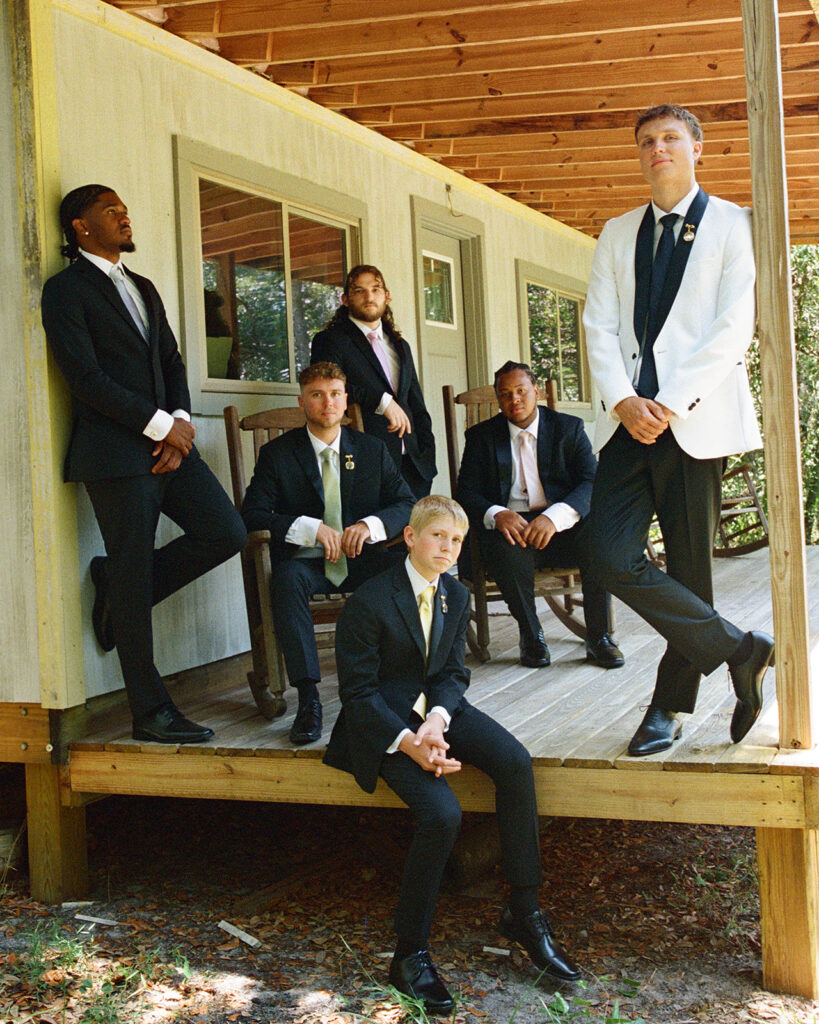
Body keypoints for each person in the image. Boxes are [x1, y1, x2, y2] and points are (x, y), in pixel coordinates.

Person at [324, 495, 581, 1015]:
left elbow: (452, 673)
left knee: (514, 762)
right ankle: (410, 953)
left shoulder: (455, 596)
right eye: (438, 536)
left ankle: (524, 911)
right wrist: (411, 742)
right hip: (383, 722)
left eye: (457, 540)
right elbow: (357, 694)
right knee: (443, 812)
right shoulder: (369, 601)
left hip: (436, 711)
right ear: (410, 538)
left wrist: (439, 720)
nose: (447, 547)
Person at [582, 104, 774, 757]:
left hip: (693, 420)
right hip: (629, 421)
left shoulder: (731, 224)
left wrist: (665, 403)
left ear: (696, 148)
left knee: (690, 573)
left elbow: (731, 327)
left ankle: (667, 709)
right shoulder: (615, 233)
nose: (656, 148)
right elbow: (599, 327)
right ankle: (740, 651)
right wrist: (621, 401)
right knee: (604, 553)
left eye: (669, 138)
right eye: (646, 141)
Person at [41, 185, 247, 744]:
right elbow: (84, 380)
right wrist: (161, 427)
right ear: (81, 228)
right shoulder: (65, 292)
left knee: (227, 531)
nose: (124, 215)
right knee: (133, 575)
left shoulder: (143, 287)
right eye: (111, 211)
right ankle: (150, 711)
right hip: (114, 456)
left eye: (125, 209)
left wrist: (178, 423)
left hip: (168, 447)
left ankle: (116, 582)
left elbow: (172, 361)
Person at [240, 362, 415, 745]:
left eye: (335, 394)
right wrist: (309, 528)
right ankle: (308, 698)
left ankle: (401, 684)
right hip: (308, 565)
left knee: (401, 569)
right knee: (285, 580)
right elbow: (252, 514)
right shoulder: (277, 455)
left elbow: (406, 503)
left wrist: (369, 526)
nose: (327, 403)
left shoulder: (371, 451)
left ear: (346, 400)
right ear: (303, 402)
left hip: (363, 560)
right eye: (317, 395)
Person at [456, 361, 623, 670]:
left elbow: (591, 481)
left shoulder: (567, 428)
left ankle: (599, 638)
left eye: (521, 391)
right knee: (505, 551)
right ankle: (531, 636)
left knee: (597, 539)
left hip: (561, 526)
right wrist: (499, 513)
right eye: (505, 394)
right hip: (512, 529)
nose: (514, 400)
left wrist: (555, 516)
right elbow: (466, 492)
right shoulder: (481, 437)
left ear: (537, 392)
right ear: (498, 399)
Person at [311, 264, 436, 499]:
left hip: (414, 464)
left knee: (417, 532)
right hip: (365, 461)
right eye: (359, 291)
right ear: (345, 299)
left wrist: (427, 451)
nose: (369, 296)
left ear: (386, 296)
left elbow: (415, 401)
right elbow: (327, 387)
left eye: (376, 289)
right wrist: (383, 402)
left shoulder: (400, 345)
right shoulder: (330, 340)